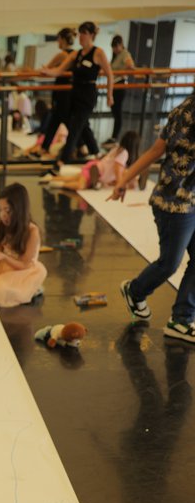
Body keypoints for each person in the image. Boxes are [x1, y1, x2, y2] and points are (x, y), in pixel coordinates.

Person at [110, 93, 195, 343]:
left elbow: (156, 150)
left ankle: (181, 319)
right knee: (169, 263)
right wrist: (124, 179)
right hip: (173, 204)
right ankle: (135, 290)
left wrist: (125, 179)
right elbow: (157, 150)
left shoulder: (182, 107)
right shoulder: (186, 112)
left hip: (190, 200)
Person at [40, 22, 114, 175]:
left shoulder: (98, 53)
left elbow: (109, 74)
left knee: (74, 128)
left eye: (84, 33)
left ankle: (60, 163)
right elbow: (59, 70)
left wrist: (109, 94)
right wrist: (47, 71)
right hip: (74, 93)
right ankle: (97, 153)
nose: (81, 37)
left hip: (88, 95)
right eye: (80, 33)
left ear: (92, 35)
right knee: (83, 126)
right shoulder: (76, 54)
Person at [44, 130, 140, 191]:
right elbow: (117, 170)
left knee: (73, 178)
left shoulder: (118, 149)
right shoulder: (124, 153)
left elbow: (112, 168)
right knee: (80, 185)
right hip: (95, 170)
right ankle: (57, 184)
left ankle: (50, 178)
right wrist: (120, 185)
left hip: (95, 168)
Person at [35, 29, 77, 158]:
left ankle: (79, 146)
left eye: (58, 39)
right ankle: (46, 147)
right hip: (69, 92)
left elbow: (47, 69)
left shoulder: (62, 55)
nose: (57, 42)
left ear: (63, 40)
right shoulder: (75, 54)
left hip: (62, 93)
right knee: (60, 120)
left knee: (60, 120)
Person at [103, 35, 135, 146]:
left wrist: (122, 74)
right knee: (115, 111)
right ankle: (113, 137)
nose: (115, 49)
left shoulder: (125, 54)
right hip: (114, 85)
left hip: (120, 84)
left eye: (117, 46)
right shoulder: (116, 56)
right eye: (114, 47)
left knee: (117, 112)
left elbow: (130, 66)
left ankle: (114, 137)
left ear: (121, 45)